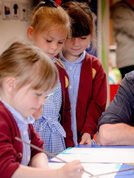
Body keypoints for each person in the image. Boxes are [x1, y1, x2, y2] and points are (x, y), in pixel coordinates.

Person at [0, 42, 83, 178]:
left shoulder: (22, 117)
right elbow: (5, 170)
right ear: (11, 85)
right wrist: (56, 174)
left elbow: (37, 150)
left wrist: (46, 172)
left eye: (45, 96)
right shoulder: (2, 118)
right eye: (38, 94)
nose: (42, 102)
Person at [27, 0, 74, 156]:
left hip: (56, 139)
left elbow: (65, 111)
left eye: (60, 42)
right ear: (31, 33)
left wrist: (70, 143)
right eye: (48, 40)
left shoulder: (60, 69)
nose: (54, 47)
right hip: (31, 137)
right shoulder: (24, 67)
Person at [60, 1, 107, 145]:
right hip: (57, 140)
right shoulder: (51, 64)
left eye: (83, 38)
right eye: (70, 37)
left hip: (85, 139)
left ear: (91, 36)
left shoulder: (95, 67)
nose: (76, 44)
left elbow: (98, 104)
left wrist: (88, 130)